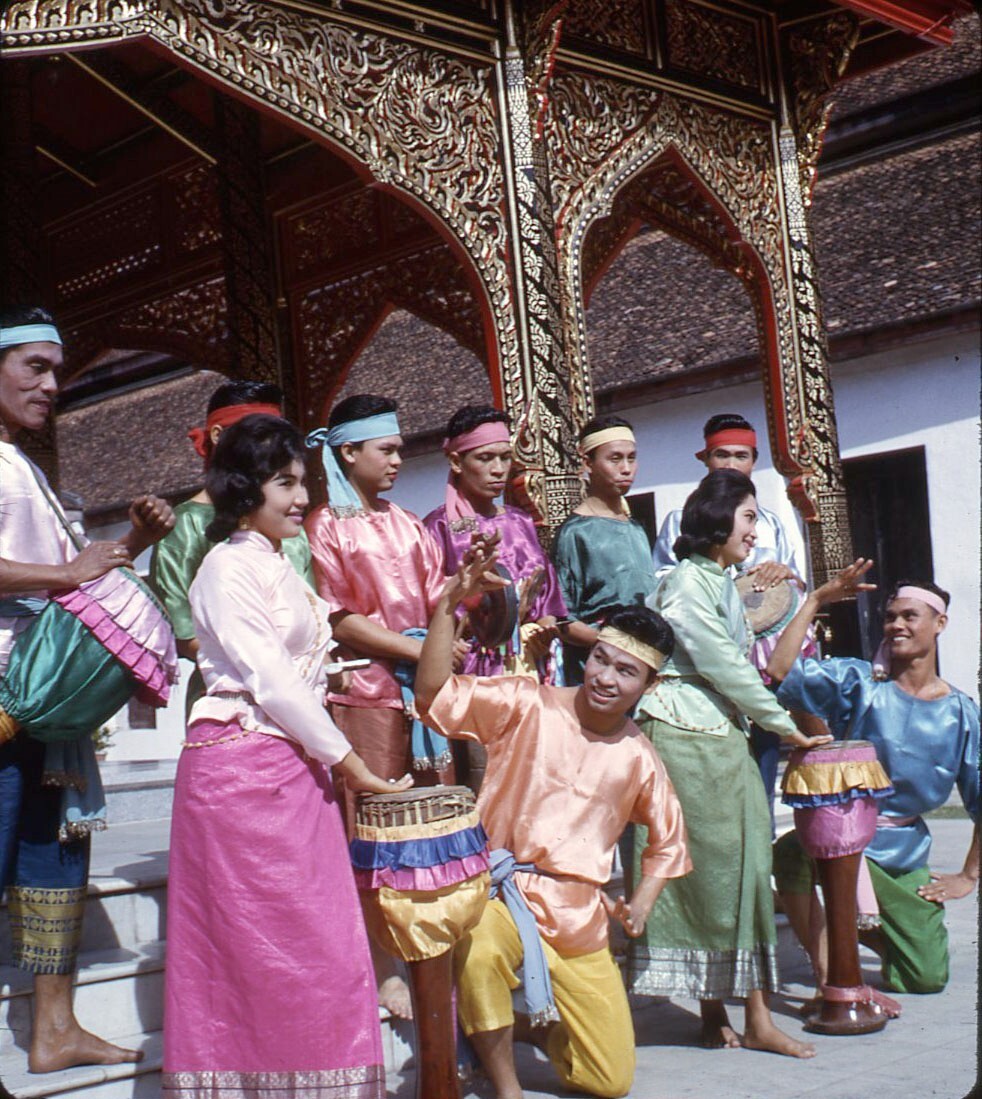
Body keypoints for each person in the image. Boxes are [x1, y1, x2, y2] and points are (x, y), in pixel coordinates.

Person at [162, 414, 410, 1098]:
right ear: (245, 488)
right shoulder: (226, 565)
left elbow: (292, 665)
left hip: (289, 765)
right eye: (283, 483)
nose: (300, 497)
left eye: (303, 482)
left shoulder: (273, 560)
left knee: (317, 946)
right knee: (266, 955)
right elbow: (266, 677)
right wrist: (349, 760)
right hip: (243, 772)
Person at [416, 551, 692, 1099]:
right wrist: (447, 608)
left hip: (577, 913)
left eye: (626, 670)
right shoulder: (526, 704)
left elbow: (668, 842)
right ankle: (507, 1085)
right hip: (499, 889)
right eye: (602, 661)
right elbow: (433, 697)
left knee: (609, 1081)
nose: (607, 678)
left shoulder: (640, 758)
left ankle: (530, 1026)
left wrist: (640, 904)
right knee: (479, 949)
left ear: (650, 687)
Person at [0, 306, 174, 1082]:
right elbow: (60, 578)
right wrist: (63, 574)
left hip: (47, 693)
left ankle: (56, 1027)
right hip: (8, 687)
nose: (52, 382)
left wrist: (132, 544)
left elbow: (75, 581)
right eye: (34, 366)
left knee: (55, 855)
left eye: (57, 368)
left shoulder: (24, 467)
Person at [629, 469, 830, 1058]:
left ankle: (752, 1014)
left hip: (718, 734)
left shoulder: (716, 578)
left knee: (740, 869)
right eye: (747, 517)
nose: (755, 529)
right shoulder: (688, 583)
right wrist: (784, 725)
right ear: (717, 521)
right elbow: (724, 664)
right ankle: (721, 1011)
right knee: (705, 870)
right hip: (686, 735)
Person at [304, 392, 456, 1019]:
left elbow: (437, 599)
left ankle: (438, 948)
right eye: (386, 449)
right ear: (349, 452)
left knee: (436, 820)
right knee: (370, 830)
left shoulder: (409, 525)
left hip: (422, 692)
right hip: (363, 692)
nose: (398, 459)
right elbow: (337, 619)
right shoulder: (323, 526)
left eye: (398, 448)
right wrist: (419, 652)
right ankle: (385, 965)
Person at [768, 569, 979, 998]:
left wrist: (970, 875)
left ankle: (856, 928)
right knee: (791, 854)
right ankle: (832, 972)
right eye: (890, 617)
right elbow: (779, 671)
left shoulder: (961, 712)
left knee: (926, 977)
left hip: (902, 852)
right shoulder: (858, 683)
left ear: (940, 623)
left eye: (910, 616)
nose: (897, 625)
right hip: (841, 833)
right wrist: (815, 601)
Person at [651, 413, 818, 827]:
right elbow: (671, 595)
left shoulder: (769, 525)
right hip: (700, 692)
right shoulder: (686, 552)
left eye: (740, 456)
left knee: (752, 791)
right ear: (705, 460)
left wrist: (783, 576)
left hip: (755, 662)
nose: (729, 464)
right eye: (720, 455)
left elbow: (791, 584)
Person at [150, 380, 314, 715]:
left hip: (306, 691)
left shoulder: (289, 525)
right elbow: (183, 633)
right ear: (217, 436)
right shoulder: (185, 526)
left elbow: (313, 613)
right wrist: (267, 669)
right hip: (229, 701)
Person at [552, 414, 656, 682]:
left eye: (631, 458)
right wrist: (613, 644)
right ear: (588, 463)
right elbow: (564, 619)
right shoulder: (576, 533)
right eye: (615, 458)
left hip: (645, 660)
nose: (626, 468)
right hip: (601, 669)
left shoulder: (635, 527)